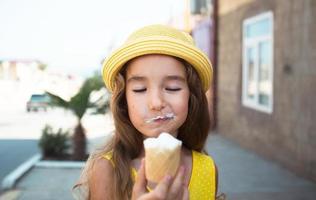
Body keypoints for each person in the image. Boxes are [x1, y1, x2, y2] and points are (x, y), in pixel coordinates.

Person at [73, 24, 222, 200]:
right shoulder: (107, 169)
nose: (156, 103)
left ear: (192, 96)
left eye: (172, 88)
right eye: (140, 89)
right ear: (124, 101)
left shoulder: (207, 168)